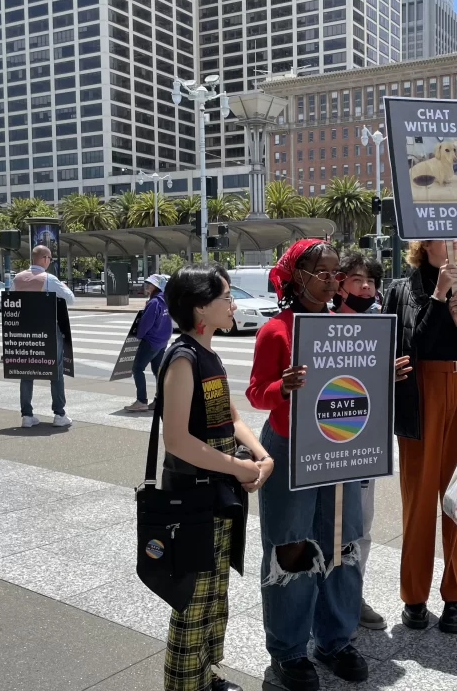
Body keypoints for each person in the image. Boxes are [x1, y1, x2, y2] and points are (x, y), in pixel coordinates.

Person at [247, 239, 368, 691]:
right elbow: (257, 393)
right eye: (323, 272)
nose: (333, 281)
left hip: (338, 449)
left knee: (341, 546)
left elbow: (359, 387)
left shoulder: (349, 324)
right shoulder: (275, 330)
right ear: (297, 276)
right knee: (291, 550)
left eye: (336, 273)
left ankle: (334, 640)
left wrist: (382, 377)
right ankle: (289, 650)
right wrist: (283, 386)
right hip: (290, 449)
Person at [159, 264, 267, 691]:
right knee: (192, 599)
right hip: (194, 494)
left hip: (216, 490)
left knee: (212, 590)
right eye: (226, 297)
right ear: (200, 307)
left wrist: (260, 453)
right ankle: (186, 684)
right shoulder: (184, 358)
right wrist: (239, 467)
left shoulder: (207, 353)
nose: (233, 304)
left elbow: (229, 416)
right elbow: (177, 441)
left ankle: (203, 676)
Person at [384, 239, 457, 635]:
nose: (453, 245)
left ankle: (456, 595)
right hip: (419, 395)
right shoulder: (403, 290)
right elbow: (410, 349)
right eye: (445, 239)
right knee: (418, 498)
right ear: (424, 245)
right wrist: (438, 297)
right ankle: (414, 596)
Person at [333, 250, 412, 634]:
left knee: (360, 527)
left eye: (371, 281)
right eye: (357, 279)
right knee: (326, 526)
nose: (365, 287)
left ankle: (352, 593)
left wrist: (387, 377)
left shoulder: (381, 327)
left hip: (365, 442)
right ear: (340, 283)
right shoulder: (321, 323)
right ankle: (324, 599)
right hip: (326, 443)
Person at [13, 245, 74, 428]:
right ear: (45, 259)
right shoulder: (49, 279)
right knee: (55, 370)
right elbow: (70, 299)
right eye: (50, 259)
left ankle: (27, 416)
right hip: (47, 328)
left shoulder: (17, 278)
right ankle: (59, 414)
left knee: (26, 371)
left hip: (23, 330)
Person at [125, 273, 174, 412]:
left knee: (137, 368)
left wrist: (138, 336)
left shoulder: (154, 303)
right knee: (157, 371)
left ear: (157, 287)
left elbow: (145, 324)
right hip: (162, 341)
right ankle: (160, 400)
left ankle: (141, 400)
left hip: (151, 341)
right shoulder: (165, 301)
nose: (147, 285)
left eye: (150, 284)